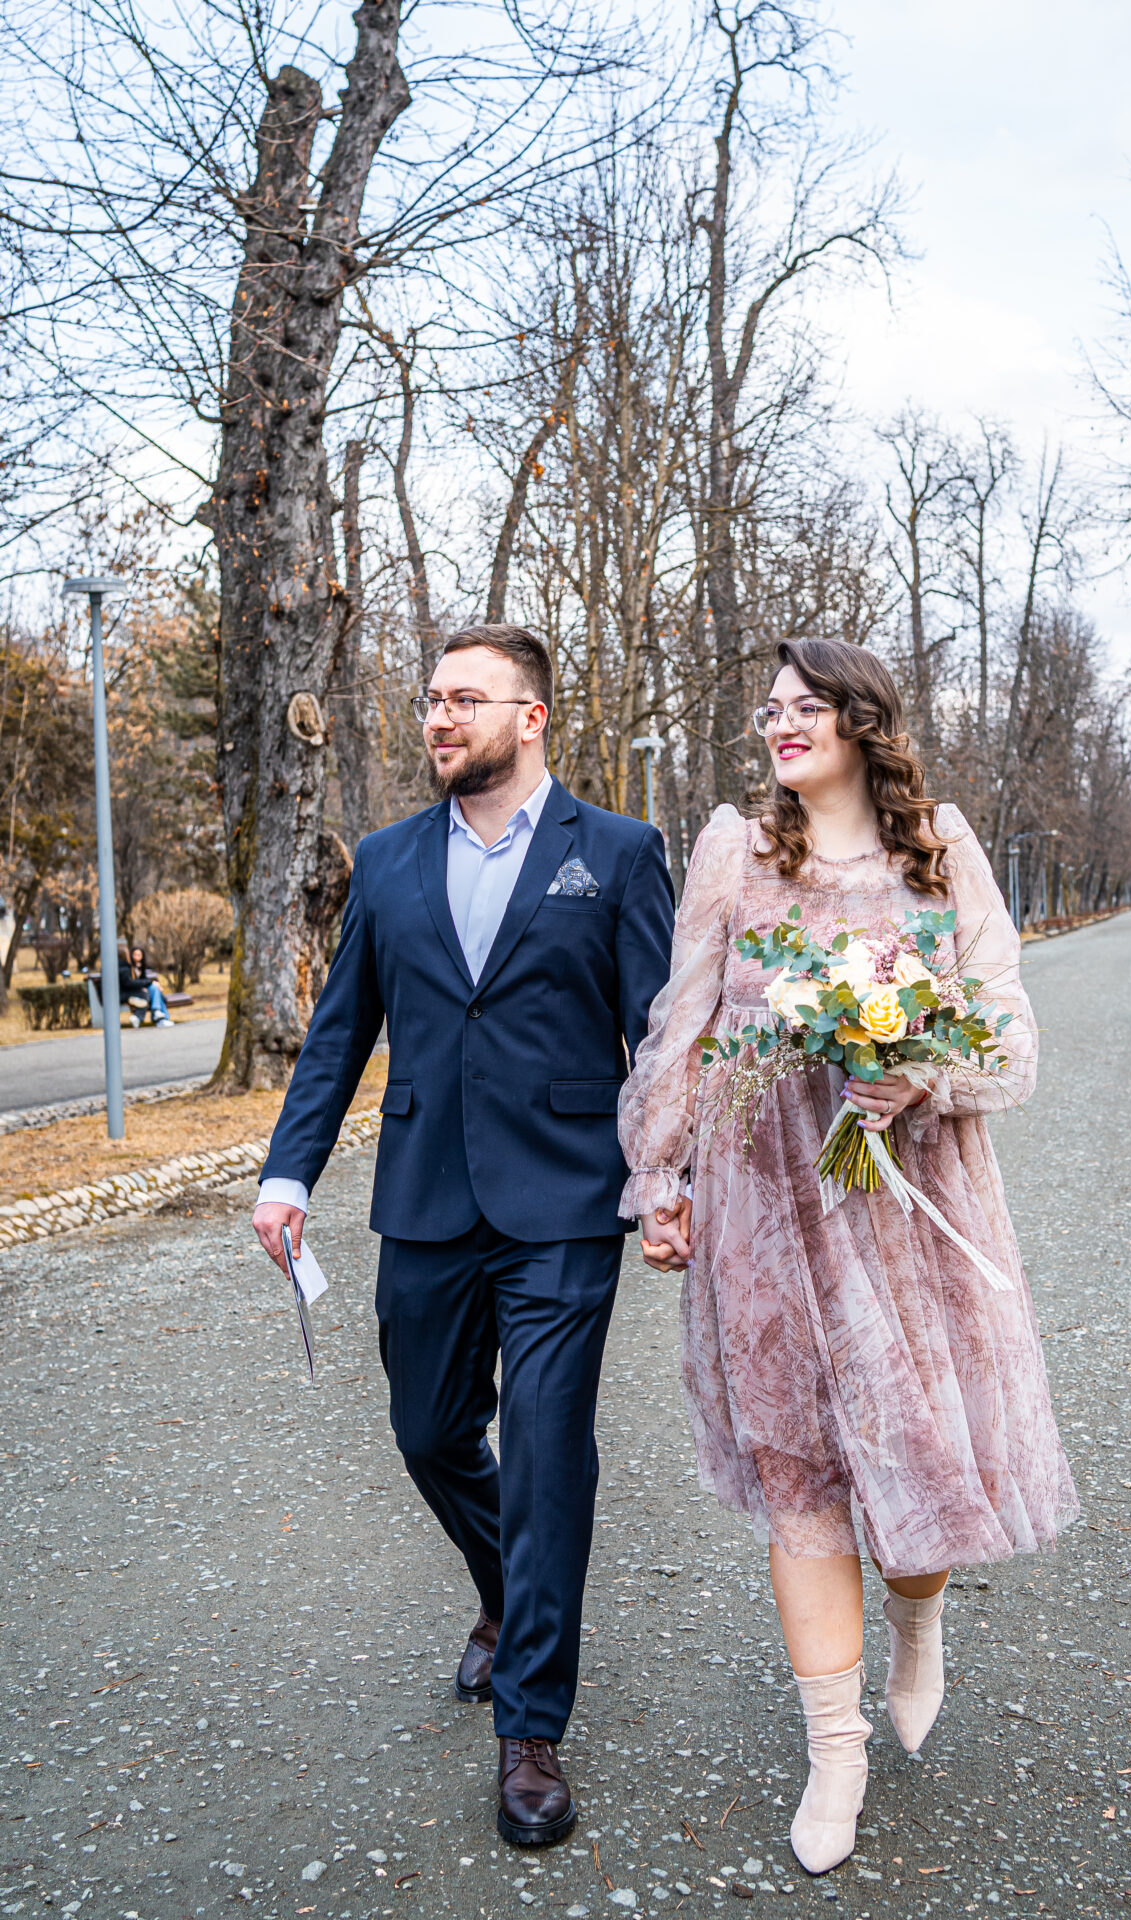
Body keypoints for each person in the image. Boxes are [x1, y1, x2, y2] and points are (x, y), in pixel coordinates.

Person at [618, 640, 1077, 1877]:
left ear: (862, 722)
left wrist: (916, 1070)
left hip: (906, 1204)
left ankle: (917, 1626)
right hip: (764, 1202)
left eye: (804, 707)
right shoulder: (733, 851)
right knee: (797, 1471)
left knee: (914, 1458)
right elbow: (683, 1024)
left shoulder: (938, 849)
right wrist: (657, 1179)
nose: (778, 725)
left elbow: (1008, 1033)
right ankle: (835, 1751)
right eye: (768, 708)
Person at [252, 623, 674, 1849]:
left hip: (565, 1205)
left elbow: (659, 1035)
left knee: (543, 1452)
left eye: (464, 699)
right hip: (426, 1195)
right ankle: (504, 1587)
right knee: (429, 1431)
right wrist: (287, 1172)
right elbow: (339, 1032)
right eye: (432, 698)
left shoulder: (618, 852)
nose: (438, 717)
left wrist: (671, 1177)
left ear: (530, 717)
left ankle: (529, 1727)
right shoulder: (386, 862)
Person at [118, 944, 174, 1028]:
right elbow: (130, 983)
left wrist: (150, 983)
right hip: (131, 992)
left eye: (139, 955)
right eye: (134, 954)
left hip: (138, 990)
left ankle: (158, 1015)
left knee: (155, 990)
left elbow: (142, 979)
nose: (136, 957)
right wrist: (149, 983)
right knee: (153, 991)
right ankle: (160, 1016)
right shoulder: (127, 967)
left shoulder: (139, 966)